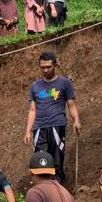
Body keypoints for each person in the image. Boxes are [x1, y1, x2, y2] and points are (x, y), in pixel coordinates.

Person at [24, 51, 81, 185]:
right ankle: (43, 191)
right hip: (39, 129)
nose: (45, 70)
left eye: (48, 67)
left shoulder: (64, 83)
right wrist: (28, 130)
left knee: (56, 160)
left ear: (55, 65)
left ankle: (59, 189)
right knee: (41, 161)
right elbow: (32, 110)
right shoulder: (35, 86)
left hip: (57, 126)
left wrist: (76, 120)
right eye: (42, 67)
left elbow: (71, 105)